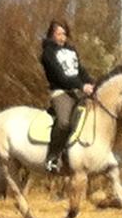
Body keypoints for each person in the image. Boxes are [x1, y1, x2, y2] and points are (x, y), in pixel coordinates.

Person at [39, 19, 94, 173]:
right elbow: (60, 76)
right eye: (58, 34)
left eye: (64, 34)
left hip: (77, 92)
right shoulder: (48, 53)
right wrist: (81, 85)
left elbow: (80, 71)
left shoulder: (72, 51)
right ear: (51, 35)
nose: (62, 37)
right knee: (64, 123)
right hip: (61, 92)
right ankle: (52, 157)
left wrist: (91, 83)